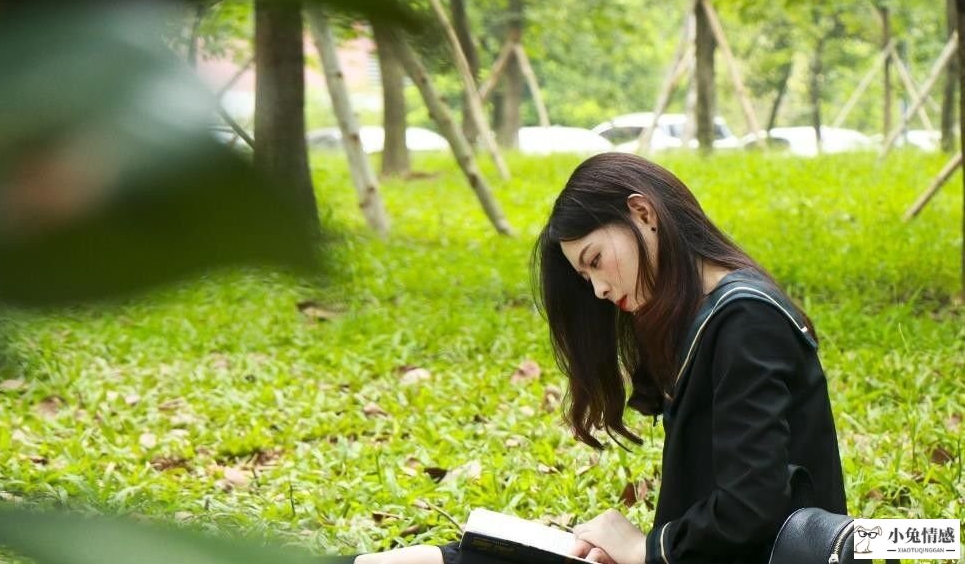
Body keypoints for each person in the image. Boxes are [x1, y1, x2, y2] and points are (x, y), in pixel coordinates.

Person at [345, 152, 846, 564]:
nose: (601, 290)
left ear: (643, 214)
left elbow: (751, 509)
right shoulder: (710, 317)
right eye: (587, 280)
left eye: (595, 262)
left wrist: (646, 548)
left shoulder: (745, 320)